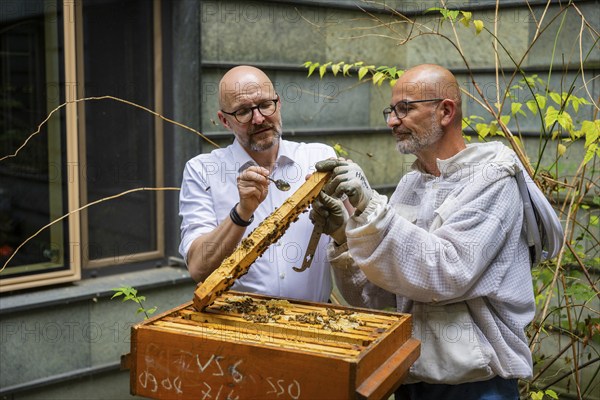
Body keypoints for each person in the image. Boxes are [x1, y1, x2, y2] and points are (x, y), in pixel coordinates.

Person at [310, 64, 543, 399]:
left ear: (445, 111)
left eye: (405, 109)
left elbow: (447, 272)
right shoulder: (410, 184)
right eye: (391, 110)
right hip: (411, 376)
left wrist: (371, 205)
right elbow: (377, 295)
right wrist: (344, 237)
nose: (392, 121)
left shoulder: (493, 179)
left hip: (477, 386)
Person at [178, 65, 336, 303]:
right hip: (240, 328)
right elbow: (199, 268)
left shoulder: (318, 159)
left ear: (278, 103)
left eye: (264, 105)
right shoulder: (203, 171)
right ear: (224, 120)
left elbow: (357, 244)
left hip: (314, 324)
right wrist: (241, 212)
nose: (259, 119)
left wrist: (358, 199)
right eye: (243, 111)